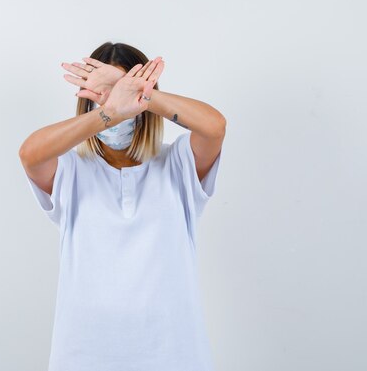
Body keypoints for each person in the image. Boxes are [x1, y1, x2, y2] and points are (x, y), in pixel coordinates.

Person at [18, 42, 226, 371]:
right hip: (84, 354)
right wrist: (110, 111)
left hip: (174, 352)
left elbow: (214, 127)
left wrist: (140, 91)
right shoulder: (72, 171)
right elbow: (31, 153)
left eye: (121, 95)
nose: (116, 104)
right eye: (102, 96)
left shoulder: (177, 164)